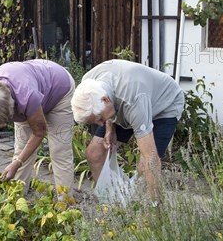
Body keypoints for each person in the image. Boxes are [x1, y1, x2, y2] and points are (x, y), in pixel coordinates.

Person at [71, 59, 185, 198]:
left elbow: (151, 158)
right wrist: (109, 129)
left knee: (145, 166)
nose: (100, 124)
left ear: (106, 100)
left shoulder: (133, 101)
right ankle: (109, 202)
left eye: (100, 119)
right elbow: (110, 98)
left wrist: (156, 208)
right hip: (125, 102)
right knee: (94, 153)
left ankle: (153, 209)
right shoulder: (89, 85)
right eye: (95, 122)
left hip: (163, 105)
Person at [0, 59, 75, 195]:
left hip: (59, 89)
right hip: (31, 83)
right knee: (21, 149)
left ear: (11, 108)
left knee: (59, 151)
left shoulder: (26, 96)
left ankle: (66, 204)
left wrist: (18, 162)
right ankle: (17, 199)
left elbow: (39, 132)